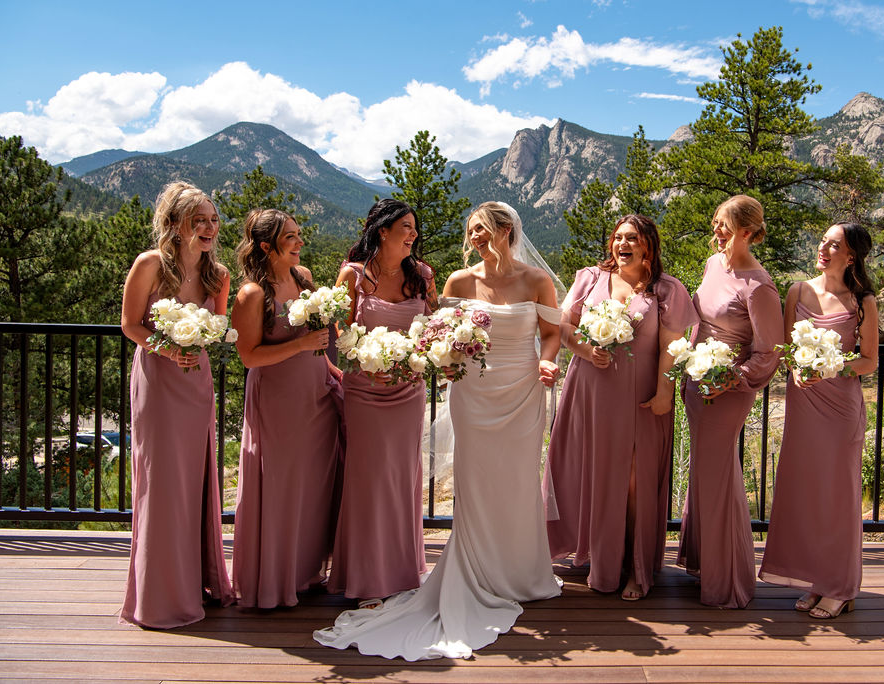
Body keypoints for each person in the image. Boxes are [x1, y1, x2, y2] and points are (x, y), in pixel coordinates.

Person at [314, 201, 562, 660]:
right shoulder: (455, 281)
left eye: (483, 231)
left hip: (522, 389)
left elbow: (552, 332)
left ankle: (521, 571)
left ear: (507, 231)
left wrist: (549, 360)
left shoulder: (537, 280)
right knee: (472, 480)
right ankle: (470, 569)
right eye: (471, 232)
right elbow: (437, 331)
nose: (475, 240)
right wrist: (443, 357)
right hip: (473, 393)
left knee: (518, 480)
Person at [543, 215, 697, 601]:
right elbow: (565, 326)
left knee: (634, 480)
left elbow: (671, 347)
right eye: (618, 237)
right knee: (593, 471)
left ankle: (635, 566)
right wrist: (583, 348)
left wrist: (665, 391)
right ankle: (599, 558)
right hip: (589, 391)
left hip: (640, 395)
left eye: (632, 238)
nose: (623, 244)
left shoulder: (667, 289)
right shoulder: (590, 278)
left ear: (648, 246)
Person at [119, 181, 233, 628]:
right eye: (198, 220)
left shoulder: (218, 275)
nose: (209, 227)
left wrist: (201, 337)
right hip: (158, 379)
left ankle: (198, 582)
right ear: (174, 225)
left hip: (195, 381)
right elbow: (130, 324)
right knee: (162, 481)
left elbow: (219, 328)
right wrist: (168, 348)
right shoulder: (149, 265)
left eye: (212, 219)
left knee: (195, 480)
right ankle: (160, 595)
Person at [759, 222, 878, 619]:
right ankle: (816, 580)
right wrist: (794, 368)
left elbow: (869, 361)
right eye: (823, 241)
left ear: (851, 256)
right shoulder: (798, 290)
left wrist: (832, 368)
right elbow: (786, 348)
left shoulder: (863, 301)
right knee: (806, 492)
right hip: (804, 405)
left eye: (834, 244)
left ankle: (841, 587)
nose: (823, 248)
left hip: (840, 408)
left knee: (837, 496)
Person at [230, 209, 344, 609]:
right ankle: (274, 581)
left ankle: (305, 573)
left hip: (317, 392)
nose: (300, 242)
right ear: (266, 246)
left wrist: (331, 368)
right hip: (279, 399)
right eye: (291, 237)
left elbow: (317, 338)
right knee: (281, 486)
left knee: (314, 484)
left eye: (299, 234)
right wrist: (299, 345)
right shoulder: (252, 294)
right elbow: (248, 356)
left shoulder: (304, 278)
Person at [327, 199, 437, 609]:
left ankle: (404, 571)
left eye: (414, 228)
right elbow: (338, 334)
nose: (412, 234)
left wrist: (420, 358)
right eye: (405, 227)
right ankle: (367, 577)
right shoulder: (353, 276)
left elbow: (433, 327)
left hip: (408, 390)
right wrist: (358, 367)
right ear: (383, 231)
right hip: (365, 392)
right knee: (369, 479)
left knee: (402, 476)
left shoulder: (423, 275)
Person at [676, 194, 783, 609]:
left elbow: (768, 351)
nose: (716, 231)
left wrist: (730, 378)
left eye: (723, 224)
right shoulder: (713, 265)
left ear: (746, 231)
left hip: (727, 389)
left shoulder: (758, 286)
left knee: (717, 475)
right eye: (715, 222)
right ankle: (705, 562)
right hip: (697, 383)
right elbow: (700, 321)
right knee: (703, 472)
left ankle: (729, 580)